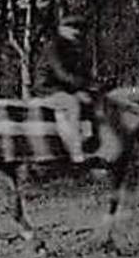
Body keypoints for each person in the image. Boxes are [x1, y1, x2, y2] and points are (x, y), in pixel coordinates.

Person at [37, 15, 96, 164]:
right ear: (62, 30)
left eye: (81, 30)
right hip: (48, 88)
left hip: (67, 89)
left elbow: (82, 73)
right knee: (71, 104)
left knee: (95, 102)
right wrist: (83, 85)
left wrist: (92, 86)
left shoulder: (77, 50)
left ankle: (93, 145)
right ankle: (76, 153)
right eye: (73, 29)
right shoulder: (54, 47)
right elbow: (61, 73)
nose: (78, 33)